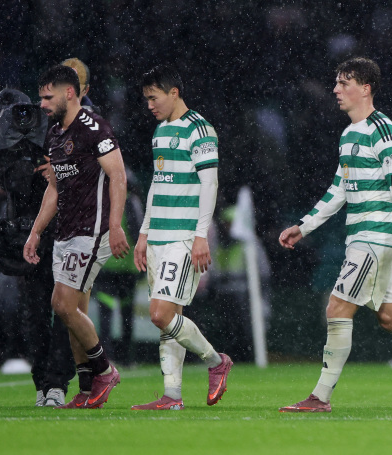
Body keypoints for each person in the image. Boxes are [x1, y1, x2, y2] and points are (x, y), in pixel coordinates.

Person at [278, 57, 392, 413]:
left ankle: (320, 397)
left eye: (344, 83)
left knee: (337, 308)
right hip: (363, 239)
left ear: (365, 89)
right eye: (336, 82)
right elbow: (339, 189)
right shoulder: (349, 134)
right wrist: (304, 225)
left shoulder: (383, 129)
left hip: (376, 238)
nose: (336, 89)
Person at [23, 64, 129, 409]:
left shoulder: (94, 128)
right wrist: (35, 232)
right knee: (70, 312)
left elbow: (118, 176)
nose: (42, 103)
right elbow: (55, 188)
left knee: (64, 305)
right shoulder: (55, 133)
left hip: (92, 230)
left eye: (47, 97)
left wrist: (115, 225)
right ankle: (86, 388)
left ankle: (104, 370)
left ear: (69, 93)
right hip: (65, 233)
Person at [131, 65, 232, 411]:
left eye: (153, 98)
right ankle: (172, 395)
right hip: (158, 236)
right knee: (169, 318)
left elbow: (210, 184)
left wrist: (201, 236)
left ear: (174, 93)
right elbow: (157, 184)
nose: (149, 105)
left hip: (183, 237)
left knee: (160, 315)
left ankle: (216, 361)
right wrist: (144, 232)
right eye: (146, 99)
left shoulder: (200, 130)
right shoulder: (160, 131)